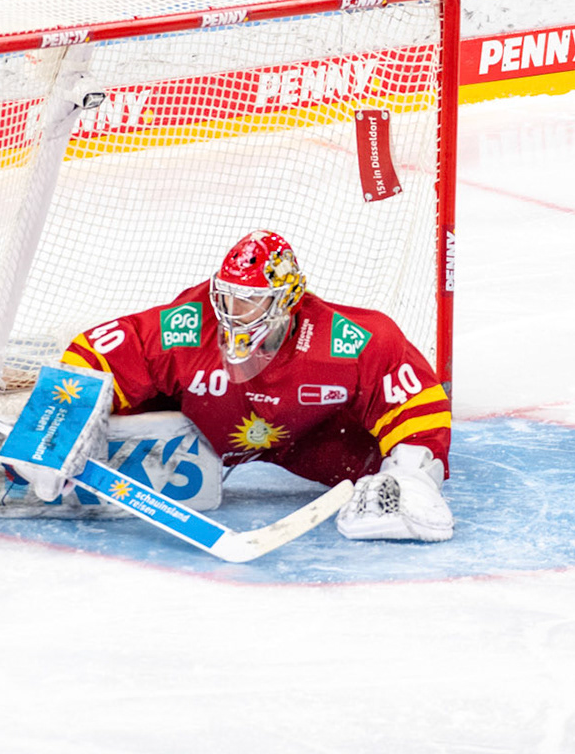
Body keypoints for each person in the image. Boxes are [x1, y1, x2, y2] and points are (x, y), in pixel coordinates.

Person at [53, 230, 456, 541]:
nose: (234, 312)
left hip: (311, 438)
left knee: (389, 461)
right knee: (110, 404)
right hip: (205, 428)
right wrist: (61, 426)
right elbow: (97, 350)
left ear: (287, 300)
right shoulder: (190, 324)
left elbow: (415, 395)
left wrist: (411, 473)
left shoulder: (343, 339)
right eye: (229, 297)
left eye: (251, 300)